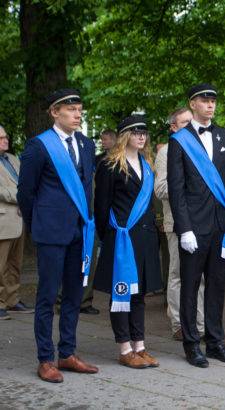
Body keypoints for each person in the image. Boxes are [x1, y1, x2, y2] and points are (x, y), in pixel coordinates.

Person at [17, 89, 98, 383]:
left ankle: (67, 353)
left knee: (74, 295)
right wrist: (37, 223)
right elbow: (26, 192)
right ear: (54, 112)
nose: (77, 115)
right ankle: (45, 359)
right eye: (71, 110)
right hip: (51, 232)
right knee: (47, 296)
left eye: (79, 110)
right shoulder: (39, 146)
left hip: (81, 230)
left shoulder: (87, 145)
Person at [167, 84, 225, 368]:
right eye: (205, 101)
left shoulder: (223, 135)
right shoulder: (180, 140)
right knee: (189, 286)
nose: (210, 106)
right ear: (193, 104)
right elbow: (177, 188)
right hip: (194, 228)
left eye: (213, 101)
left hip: (220, 223)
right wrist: (184, 228)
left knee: (217, 285)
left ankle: (214, 342)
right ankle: (190, 343)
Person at [93, 116, 162, 369]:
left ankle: (140, 346)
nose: (141, 136)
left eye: (144, 132)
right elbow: (101, 207)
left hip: (145, 237)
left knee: (140, 294)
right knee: (121, 294)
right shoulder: (110, 165)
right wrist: (109, 236)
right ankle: (124, 348)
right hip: (121, 238)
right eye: (135, 132)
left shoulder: (147, 164)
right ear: (124, 136)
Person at [154, 107, 201, 341]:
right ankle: (179, 324)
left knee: (200, 276)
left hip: (202, 221)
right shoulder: (166, 152)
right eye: (184, 123)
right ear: (173, 127)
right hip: (177, 222)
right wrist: (190, 189)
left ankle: (200, 326)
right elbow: (160, 188)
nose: (190, 126)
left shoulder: (201, 147)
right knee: (178, 275)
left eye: (191, 122)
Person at [0, 126, 34, 320]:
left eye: (6, 137)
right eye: (1, 138)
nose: (5, 141)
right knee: (0, 265)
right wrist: (22, 199)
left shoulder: (13, 159)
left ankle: (12, 300)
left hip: (20, 220)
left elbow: (26, 182)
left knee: (15, 263)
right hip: (3, 219)